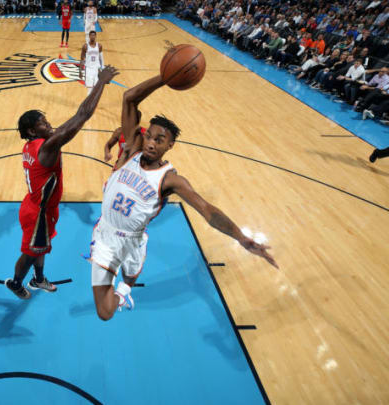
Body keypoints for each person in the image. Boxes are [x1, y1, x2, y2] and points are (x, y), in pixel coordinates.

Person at [91, 73, 278, 321]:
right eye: (150, 137)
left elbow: (208, 211)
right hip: (106, 236)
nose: (151, 144)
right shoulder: (131, 150)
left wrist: (241, 237)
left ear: (170, 146)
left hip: (132, 238)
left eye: (160, 140)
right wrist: (166, 77)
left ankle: (125, 288)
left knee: (130, 272)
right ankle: (123, 294)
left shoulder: (171, 180)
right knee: (105, 313)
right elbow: (129, 98)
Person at [6, 66, 120, 299]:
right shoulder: (47, 147)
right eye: (43, 124)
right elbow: (82, 115)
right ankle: (16, 283)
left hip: (39, 208)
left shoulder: (30, 145)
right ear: (31, 130)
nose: (49, 126)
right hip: (37, 213)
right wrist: (101, 82)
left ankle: (38, 280)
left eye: (47, 121)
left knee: (41, 247)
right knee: (30, 253)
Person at [80, 30, 104, 96]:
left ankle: (92, 104)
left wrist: (102, 68)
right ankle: (88, 104)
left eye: (94, 35)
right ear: (89, 36)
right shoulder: (85, 46)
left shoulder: (99, 46)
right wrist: (80, 71)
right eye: (91, 35)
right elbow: (82, 58)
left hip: (96, 69)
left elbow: (101, 58)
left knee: (96, 88)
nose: (92, 36)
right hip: (88, 69)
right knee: (90, 88)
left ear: (96, 36)